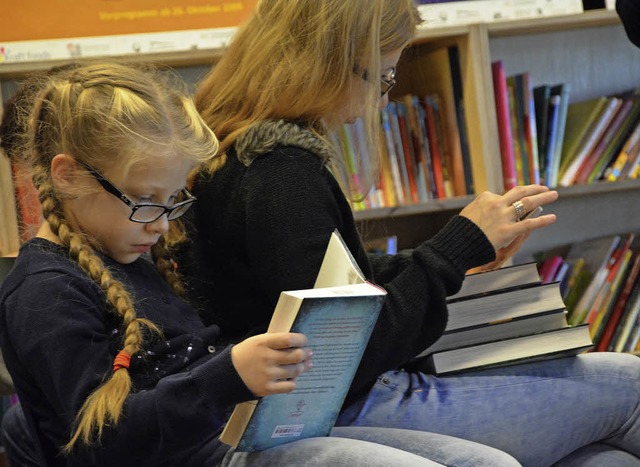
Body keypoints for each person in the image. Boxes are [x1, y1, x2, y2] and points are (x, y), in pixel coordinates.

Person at [180, 1, 640, 466]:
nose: (382, 101)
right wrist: (453, 249)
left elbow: (331, 280)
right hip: (343, 404)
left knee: (607, 458)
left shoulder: (233, 153)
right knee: (631, 385)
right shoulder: (281, 176)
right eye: (383, 78)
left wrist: (462, 254)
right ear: (333, 64)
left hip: (324, 399)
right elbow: (351, 350)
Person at [0, 61, 525, 467]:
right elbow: (101, 445)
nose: (162, 224)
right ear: (67, 176)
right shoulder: (45, 293)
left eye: (172, 201)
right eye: (145, 201)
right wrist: (227, 376)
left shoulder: (128, 247)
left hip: (245, 441)